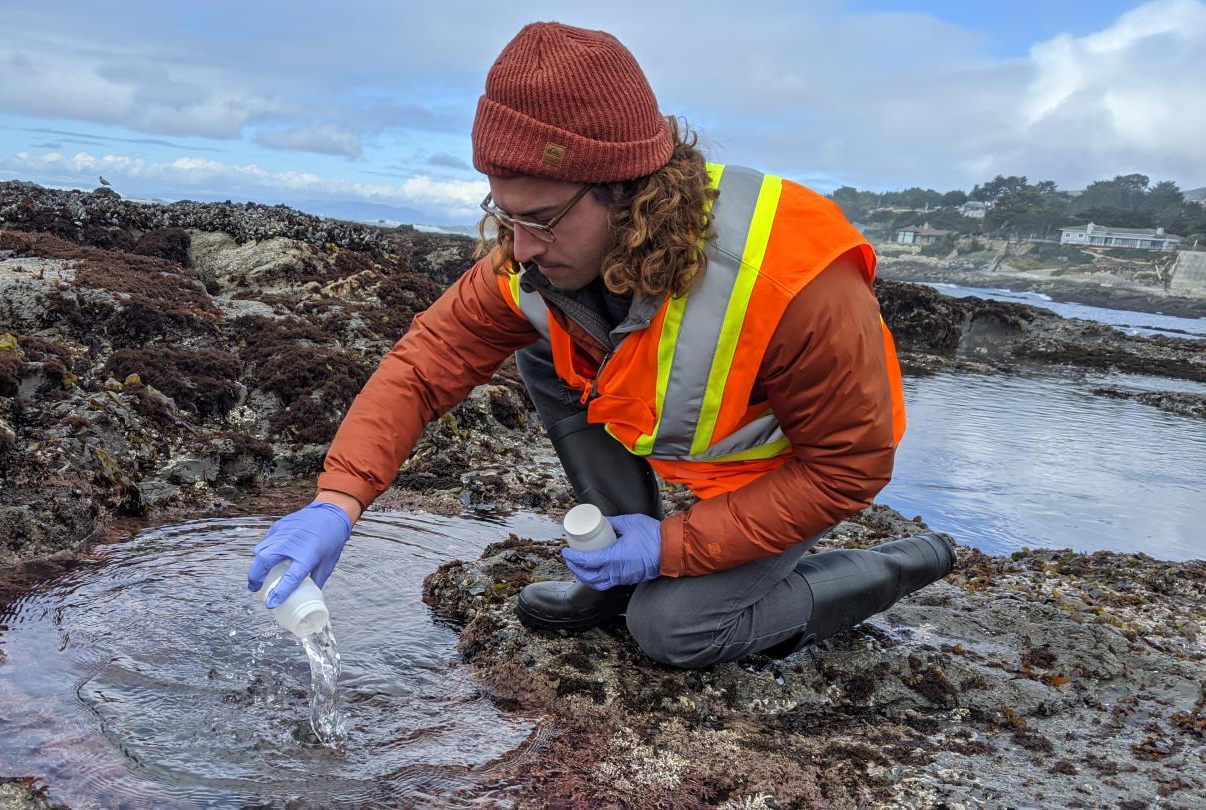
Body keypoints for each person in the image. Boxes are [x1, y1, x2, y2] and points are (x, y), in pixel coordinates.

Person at [248, 21, 954, 668]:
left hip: (786, 477)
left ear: (626, 192)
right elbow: (422, 366)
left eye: (544, 219)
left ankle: (903, 564)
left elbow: (849, 468)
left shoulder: (797, 281)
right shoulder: (532, 259)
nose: (520, 247)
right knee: (540, 337)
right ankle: (613, 558)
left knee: (673, 630)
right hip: (690, 461)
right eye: (504, 213)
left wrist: (673, 549)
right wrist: (337, 500)